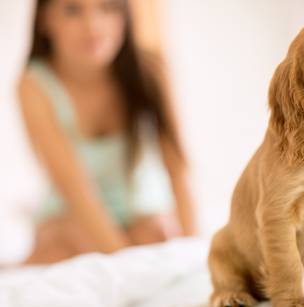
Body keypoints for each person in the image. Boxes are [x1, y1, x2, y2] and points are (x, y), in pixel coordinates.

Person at [17, 0, 197, 264]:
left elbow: (178, 169)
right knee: (63, 248)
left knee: (161, 234)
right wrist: (125, 263)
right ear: (45, 19)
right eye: (72, 10)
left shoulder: (150, 70)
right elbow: (75, 190)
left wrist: (194, 255)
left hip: (137, 210)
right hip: (70, 215)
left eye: (109, 8)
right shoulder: (34, 87)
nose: (93, 26)